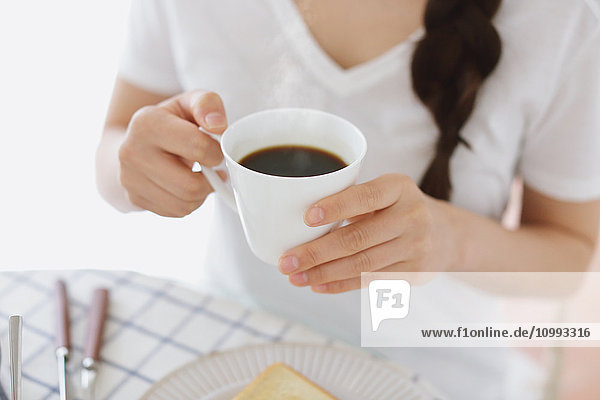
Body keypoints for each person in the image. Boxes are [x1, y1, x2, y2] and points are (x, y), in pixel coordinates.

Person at [96, 0, 600, 398]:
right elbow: (115, 144)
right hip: (234, 340)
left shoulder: (561, 23)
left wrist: (453, 241)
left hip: (436, 367)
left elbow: (570, 258)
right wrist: (133, 169)